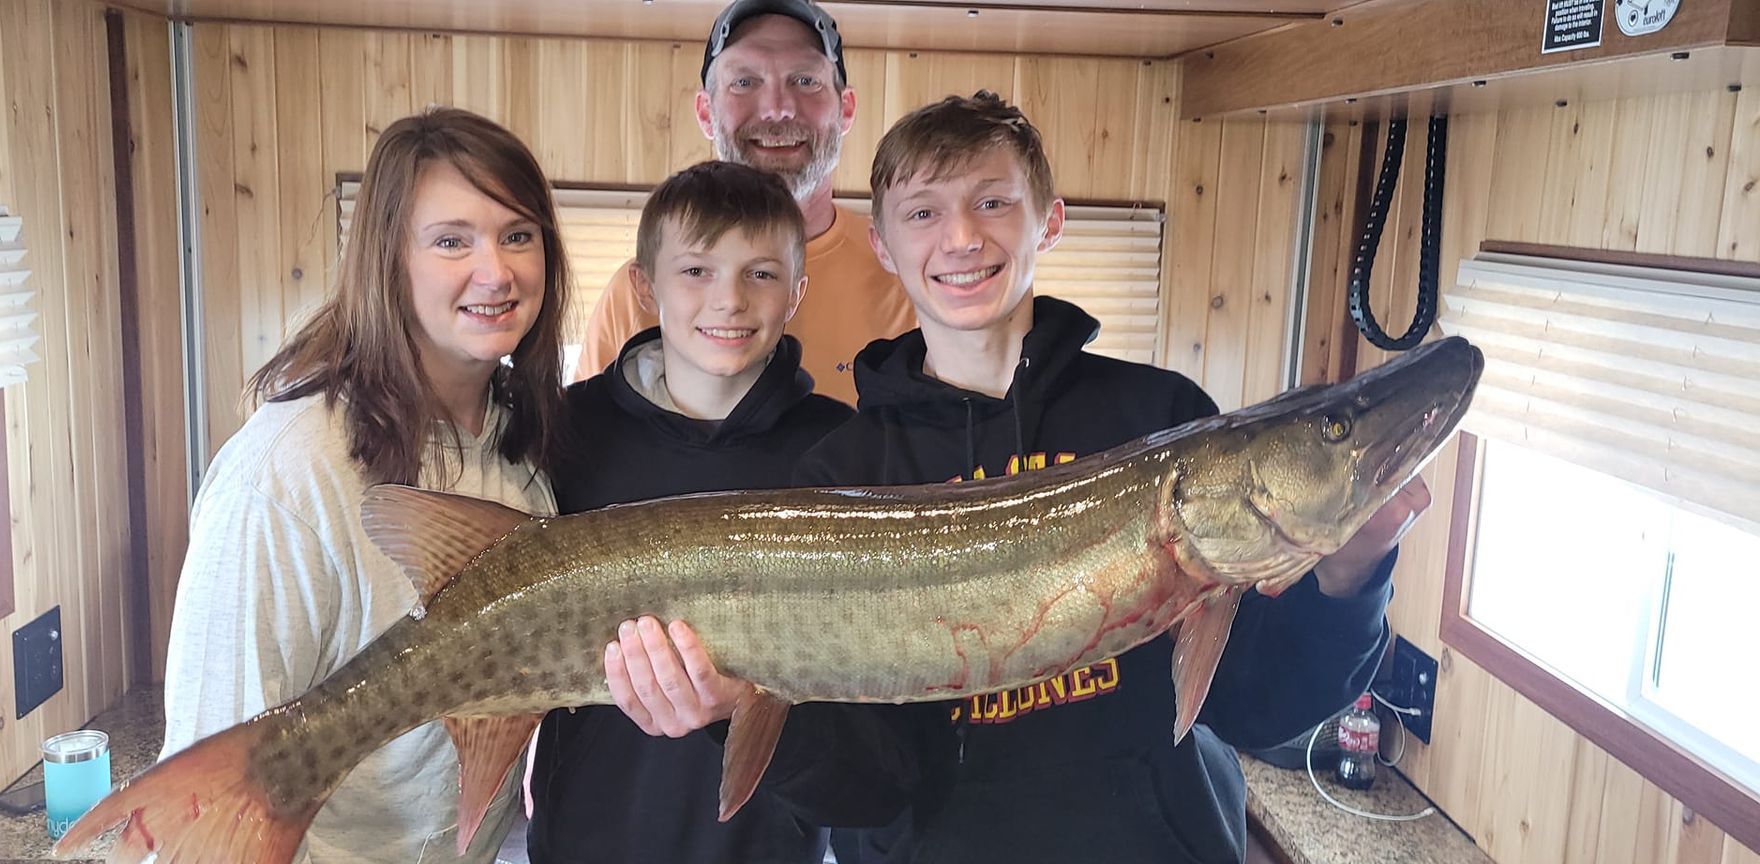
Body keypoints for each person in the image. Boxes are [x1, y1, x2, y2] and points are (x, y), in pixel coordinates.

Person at [610, 92, 1431, 864]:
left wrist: (1352, 575)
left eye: (993, 202)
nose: (961, 237)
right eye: (924, 213)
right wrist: (725, 708)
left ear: (1051, 220)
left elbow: (1262, 709)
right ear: (883, 245)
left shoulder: (1162, 413)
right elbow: (863, 788)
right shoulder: (842, 475)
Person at [160, 106, 571, 864]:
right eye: (452, 241)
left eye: (518, 234)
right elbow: (208, 788)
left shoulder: (526, 440)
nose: (498, 271)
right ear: (388, 259)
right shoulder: (285, 474)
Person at [528, 160, 863, 864]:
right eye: (697, 271)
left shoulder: (843, 450)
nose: (730, 300)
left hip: (767, 843)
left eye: (761, 274)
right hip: (587, 833)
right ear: (646, 286)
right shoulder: (562, 433)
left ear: (796, 293)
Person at [573, 0, 915, 405]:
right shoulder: (640, 294)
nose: (777, 108)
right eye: (744, 82)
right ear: (705, 111)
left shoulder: (908, 275)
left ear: (846, 109)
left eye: (805, 81)